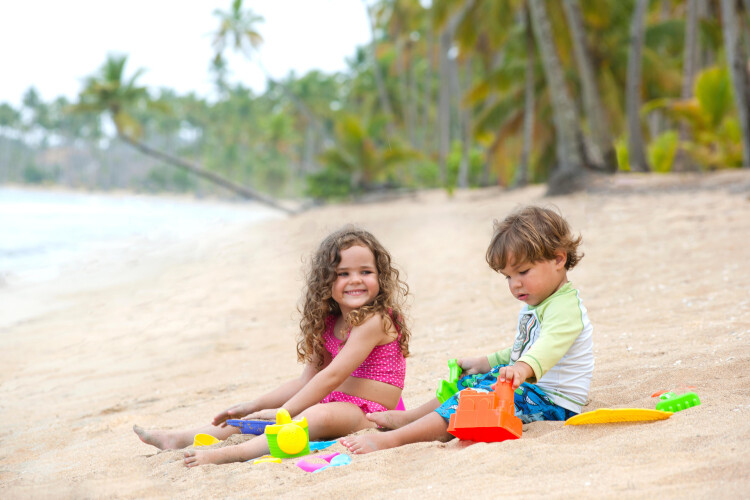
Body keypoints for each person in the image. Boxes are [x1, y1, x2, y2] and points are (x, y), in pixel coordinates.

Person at [134, 227, 411, 466]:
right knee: (256, 418)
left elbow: (332, 376)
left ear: (380, 276)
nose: (356, 280)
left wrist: (284, 412)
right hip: (336, 400)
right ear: (325, 281)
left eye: (366, 271)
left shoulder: (375, 320)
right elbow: (306, 381)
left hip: (373, 412)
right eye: (343, 273)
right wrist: (255, 405)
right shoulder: (329, 322)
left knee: (314, 415)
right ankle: (182, 437)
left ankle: (233, 454)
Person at [340, 206, 593, 454]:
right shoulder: (539, 302)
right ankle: (413, 418)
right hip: (532, 390)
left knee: (473, 402)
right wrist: (486, 362)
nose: (515, 284)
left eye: (523, 272)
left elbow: (549, 346)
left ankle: (395, 439)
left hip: (554, 403)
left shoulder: (565, 307)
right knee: (470, 382)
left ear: (558, 259)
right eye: (508, 277)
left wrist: (521, 369)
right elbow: (524, 349)